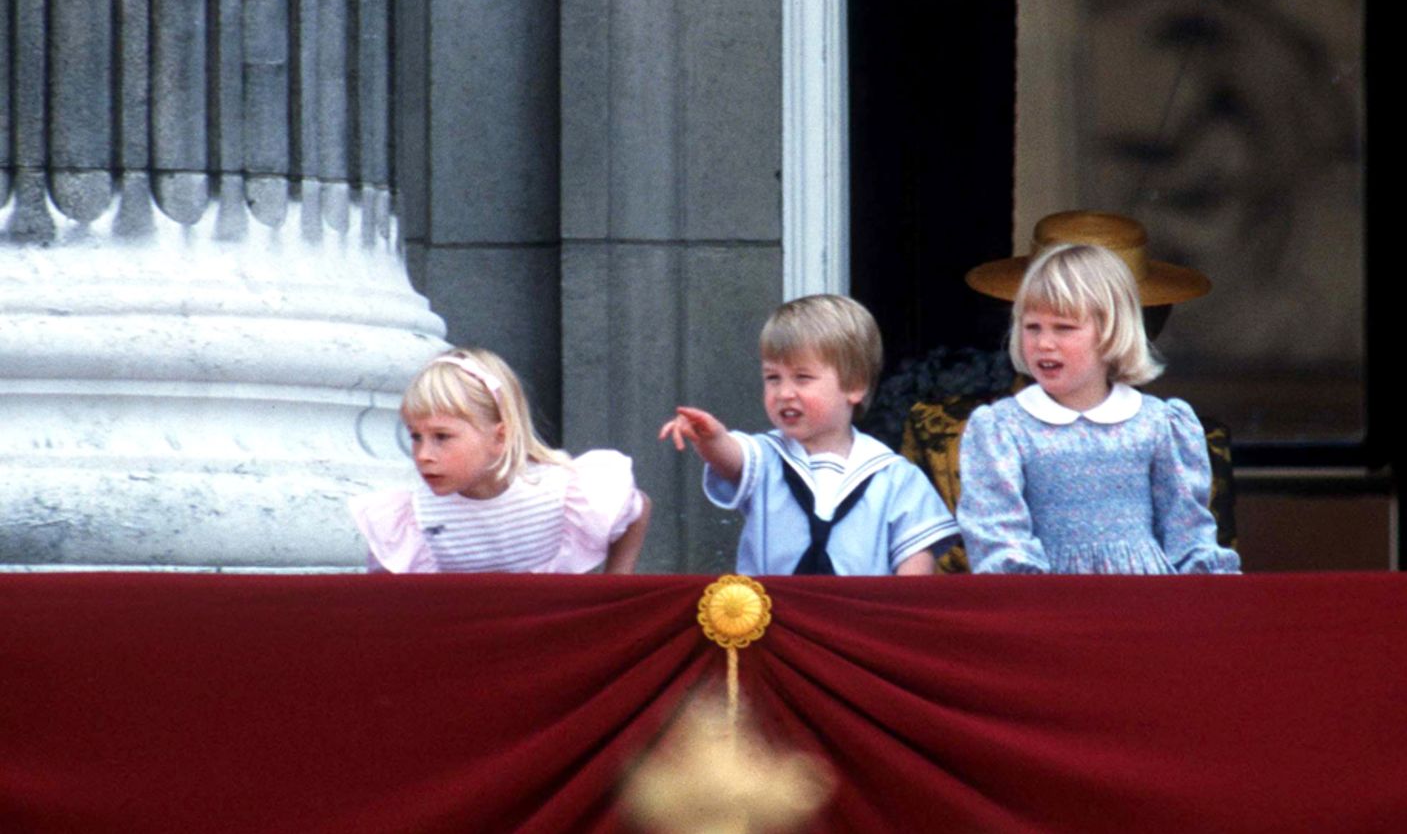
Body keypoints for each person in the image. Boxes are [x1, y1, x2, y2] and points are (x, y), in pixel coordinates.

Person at [956, 243, 1240, 575]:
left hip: (1144, 604)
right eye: (1033, 327)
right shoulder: (1003, 428)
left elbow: (1188, 534)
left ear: (1111, 332)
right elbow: (998, 534)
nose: (1044, 342)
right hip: (1049, 607)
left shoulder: (1159, 424)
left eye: (1063, 327)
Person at [659, 295, 958, 576]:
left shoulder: (894, 476)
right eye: (772, 378)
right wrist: (711, 440)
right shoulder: (767, 456)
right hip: (771, 620)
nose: (784, 393)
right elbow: (732, 459)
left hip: (856, 622)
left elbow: (916, 558)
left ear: (854, 386)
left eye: (803, 378)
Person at [350, 348, 649, 574]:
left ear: (500, 437)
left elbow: (637, 508)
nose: (424, 454)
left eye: (442, 436)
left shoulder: (561, 493)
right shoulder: (414, 519)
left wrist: (616, 585)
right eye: (416, 437)